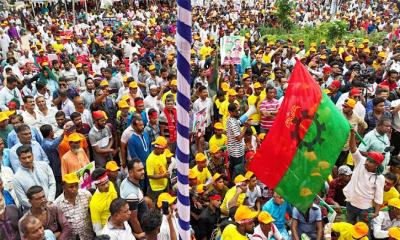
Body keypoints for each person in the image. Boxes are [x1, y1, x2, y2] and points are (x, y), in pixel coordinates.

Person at [344, 129, 385, 224]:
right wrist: (352, 135)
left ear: (377, 165)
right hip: (351, 204)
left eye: (370, 162)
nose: (366, 162)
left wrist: (376, 212)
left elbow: (379, 196)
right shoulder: (360, 161)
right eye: (367, 160)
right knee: (350, 227)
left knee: (361, 232)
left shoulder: (380, 178)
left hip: (365, 210)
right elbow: (353, 148)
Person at [13, 145, 56, 209]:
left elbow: (52, 183)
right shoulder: (17, 177)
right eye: (24, 158)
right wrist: (38, 206)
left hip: (50, 205)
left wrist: (50, 200)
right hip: (34, 211)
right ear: (19, 159)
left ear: (33, 155)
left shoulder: (44, 166)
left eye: (29, 157)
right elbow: (22, 199)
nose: (27, 160)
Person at [54, 172, 94, 240]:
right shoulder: (57, 203)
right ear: (63, 187)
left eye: (76, 185)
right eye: (71, 187)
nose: (74, 189)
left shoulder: (86, 195)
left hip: (89, 236)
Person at [120, 158, 148, 239]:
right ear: (131, 172)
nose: (143, 172)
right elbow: (133, 219)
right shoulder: (131, 194)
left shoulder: (127, 180)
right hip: (141, 226)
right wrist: (142, 236)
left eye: (143, 169)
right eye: (139, 170)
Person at [89, 167, 118, 236]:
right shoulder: (94, 204)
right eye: (103, 185)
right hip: (108, 232)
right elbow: (97, 229)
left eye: (107, 182)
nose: (107, 186)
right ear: (96, 185)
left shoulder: (111, 184)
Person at [226, 103, 248, 179]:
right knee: (238, 171)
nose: (238, 112)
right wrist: (245, 127)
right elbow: (239, 138)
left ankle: (232, 180)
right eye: (236, 111)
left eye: (238, 110)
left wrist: (243, 121)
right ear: (231, 112)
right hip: (237, 153)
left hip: (232, 150)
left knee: (232, 169)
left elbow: (237, 122)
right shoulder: (233, 123)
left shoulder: (230, 119)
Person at [146, 136, 169, 202]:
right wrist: (163, 176)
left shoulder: (162, 153)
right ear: (157, 147)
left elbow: (164, 164)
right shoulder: (150, 159)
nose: (164, 150)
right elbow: (150, 175)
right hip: (156, 189)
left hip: (165, 184)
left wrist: (166, 172)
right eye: (162, 149)